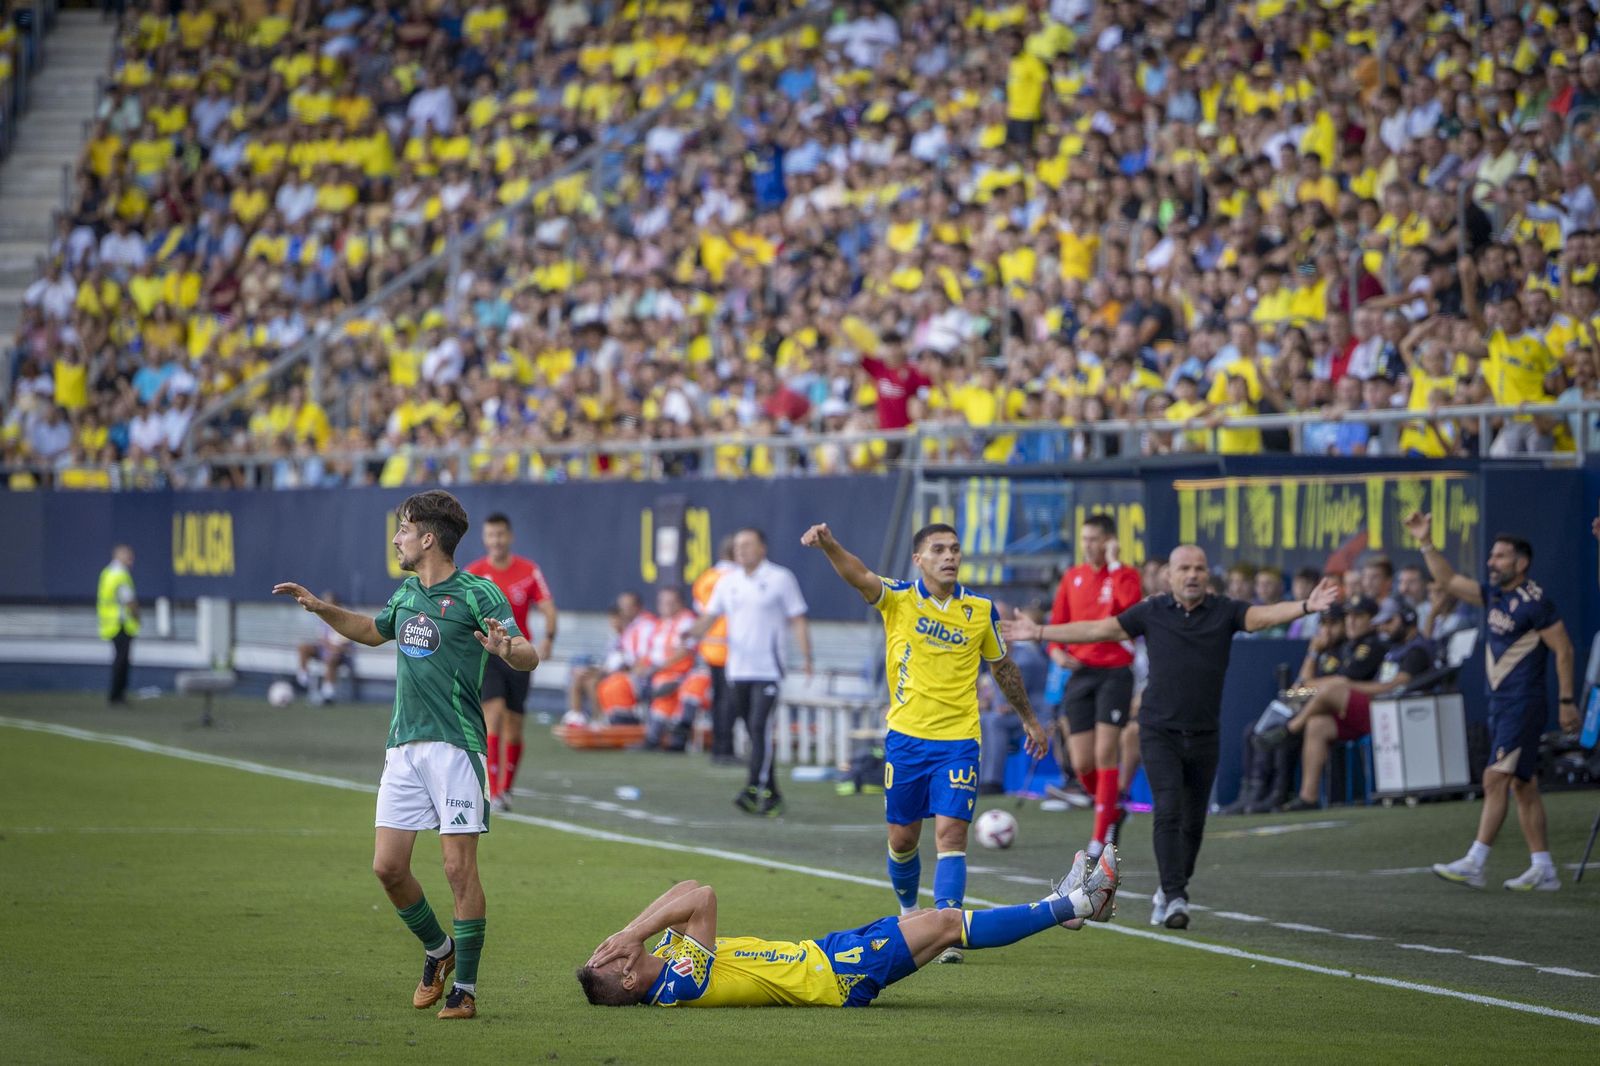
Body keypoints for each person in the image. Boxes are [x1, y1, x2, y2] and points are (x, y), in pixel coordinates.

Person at [273, 490, 539, 1020]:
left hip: (456, 749)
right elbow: (373, 632)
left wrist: (507, 649)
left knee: (458, 870)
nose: (396, 538)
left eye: (403, 529)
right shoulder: (407, 593)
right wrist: (324, 610)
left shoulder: (479, 594)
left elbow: (527, 653)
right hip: (403, 748)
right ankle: (439, 952)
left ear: (428, 538)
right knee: (388, 868)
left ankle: (465, 989)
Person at [1003, 546, 1339, 930]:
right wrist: (1042, 632)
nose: (1192, 574)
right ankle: (1174, 893)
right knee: (1167, 809)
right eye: (1184, 568)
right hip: (1158, 729)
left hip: (1204, 731)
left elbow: (1261, 617)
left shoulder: (1224, 610)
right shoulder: (1152, 611)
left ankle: (1172, 888)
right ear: (1170, 576)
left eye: (1199, 568)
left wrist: (1307, 606)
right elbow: (1101, 628)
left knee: (1194, 821)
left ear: (1206, 574)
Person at [801, 521, 1048, 964]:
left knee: (951, 834)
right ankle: (911, 912)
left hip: (958, 741)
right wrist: (830, 544)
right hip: (906, 740)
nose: (950, 556)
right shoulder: (898, 598)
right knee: (902, 839)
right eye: (939, 550)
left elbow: (1003, 668)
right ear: (919, 560)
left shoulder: (980, 610)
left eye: (955, 549)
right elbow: (858, 575)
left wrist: (1029, 719)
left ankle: (944, 928)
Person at [575, 851, 1118, 1008]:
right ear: (628, 981)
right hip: (835, 977)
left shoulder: (663, 961)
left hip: (826, 953)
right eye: (614, 957)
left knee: (928, 922)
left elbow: (686, 882)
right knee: (947, 923)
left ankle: (1060, 909)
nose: (617, 949)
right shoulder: (678, 983)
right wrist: (634, 933)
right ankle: (1079, 901)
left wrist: (630, 931)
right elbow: (704, 896)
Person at [1406, 512, 1579, 892]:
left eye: (1500, 556)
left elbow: (1564, 650)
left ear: (1521, 562)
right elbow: (1448, 580)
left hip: (1523, 703)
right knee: (1523, 786)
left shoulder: (1536, 603)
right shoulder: (1495, 594)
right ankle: (1543, 868)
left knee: (1494, 777)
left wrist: (1567, 701)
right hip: (1502, 703)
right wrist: (1425, 542)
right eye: (1492, 556)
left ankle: (1476, 861)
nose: (1492, 562)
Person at [684, 528, 812, 817]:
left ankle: (753, 786)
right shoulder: (728, 583)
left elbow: (798, 618)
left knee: (758, 726)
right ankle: (773, 794)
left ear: (762, 548)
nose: (741, 550)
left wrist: (806, 656)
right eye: (737, 545)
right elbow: (710, 616)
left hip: (768, 668)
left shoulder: (780, 578)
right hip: (737, 669)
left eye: (747, 544)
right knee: (754, 733)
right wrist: (688, 635)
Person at [1274, 598, 1436, 812]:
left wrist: (1348, 686)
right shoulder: (1389, 648)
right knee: (1317, 724)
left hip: (1394, 714)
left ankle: (1292, 728)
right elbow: (1302, 687)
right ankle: (1308, 797)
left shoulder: (1406, 649)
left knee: (1333, 689)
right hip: (1374, 712)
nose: (1382, 627)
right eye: (1381, 623)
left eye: (1388, 622)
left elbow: (1397, 684)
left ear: (1407, 619)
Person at [1045, 513, 1142, 862]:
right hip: (1081, 673)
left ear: (1110, 541)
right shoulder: (1072, 578)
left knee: (1105, 754)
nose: (1089, 545)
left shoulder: (1126, 574)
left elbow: (1130, 612)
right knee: (1082, 760)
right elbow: (1056, 626)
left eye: (1095, 539)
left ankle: (1097, 841)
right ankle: (1112, 808)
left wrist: (1115, 565)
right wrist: (1056, 653)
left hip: (1115, 672)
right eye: (1084, 538)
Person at [465, 512, 557, 813]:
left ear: (510, 536)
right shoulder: (474, 573)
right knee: (494, 715)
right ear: (484, 538)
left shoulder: (529, 570)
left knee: (515, 726)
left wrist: (548, 639)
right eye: (491, 535)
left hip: (518, 654)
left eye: (501, 534)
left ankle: (506, 789)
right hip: (488, 654)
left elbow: (548, 607)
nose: (496, 541)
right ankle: (491, 791)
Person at [692, 537, 739, 765]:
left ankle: (718, 748)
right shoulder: (735, 579)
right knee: (729, 703)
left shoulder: (705, 578)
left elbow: (701, 612)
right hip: (732, 648)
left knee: (718, 700)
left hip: (711, 647)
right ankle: (725, 749)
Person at [97, 544, 139, 705]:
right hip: (120, 624)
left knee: (119, 660)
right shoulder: (120, 575)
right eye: (128, 557)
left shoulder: (107, 572)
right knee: (121, 661)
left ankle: (117, 694)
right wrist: (137, 617)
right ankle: (117, 695)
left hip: (111, 624)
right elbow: (129, 600)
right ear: (119, 556)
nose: (131, 561)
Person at [296, 590, 352, 704]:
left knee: (332, 658)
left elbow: (344, 645)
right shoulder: (324, 617)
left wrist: (332, 647)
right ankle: (303, 680)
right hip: (324, 650)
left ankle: (328, 693)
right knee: (303, 647)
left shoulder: (345, 618)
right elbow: (321, 638)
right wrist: (327, 645)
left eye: (329, 603)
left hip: (338, 656)